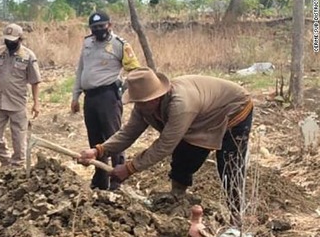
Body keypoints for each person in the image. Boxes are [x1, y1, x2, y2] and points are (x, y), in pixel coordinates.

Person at [78, 68, 253, 219]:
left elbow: (165, 144)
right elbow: (129, 133)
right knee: (183, 156)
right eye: (136, 102)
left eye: (141, 102)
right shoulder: (143, 107)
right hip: (201, 116)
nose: (137, 106)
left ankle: (237, 216)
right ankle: (178, 197)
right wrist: (98, 151)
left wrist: (129, 168)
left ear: (155, 97)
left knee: (229, 165)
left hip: (233, 108)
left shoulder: (181, 104)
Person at [71, 12, 141, 191]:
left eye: (101, 26)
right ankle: (100, 178)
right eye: (94, 28)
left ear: (109, 25)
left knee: (114, 137)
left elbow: (135, 70)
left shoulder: (120, 45)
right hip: (90, 97)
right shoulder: (87, 43)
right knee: (94, 140)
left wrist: (123, 89)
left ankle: (117, 179)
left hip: (108, 97)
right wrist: (75, 96)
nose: (98, 30)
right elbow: (81, 69)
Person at [0, 23, 41, 167]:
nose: (9, 43)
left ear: (20, 39)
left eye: (13, 40)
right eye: (7, 40)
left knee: (18, 139)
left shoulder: (28, 56)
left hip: (18, 103)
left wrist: (36, 103)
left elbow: (35, 81)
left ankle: (17, 165)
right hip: (0, 102)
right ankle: (6, 162)